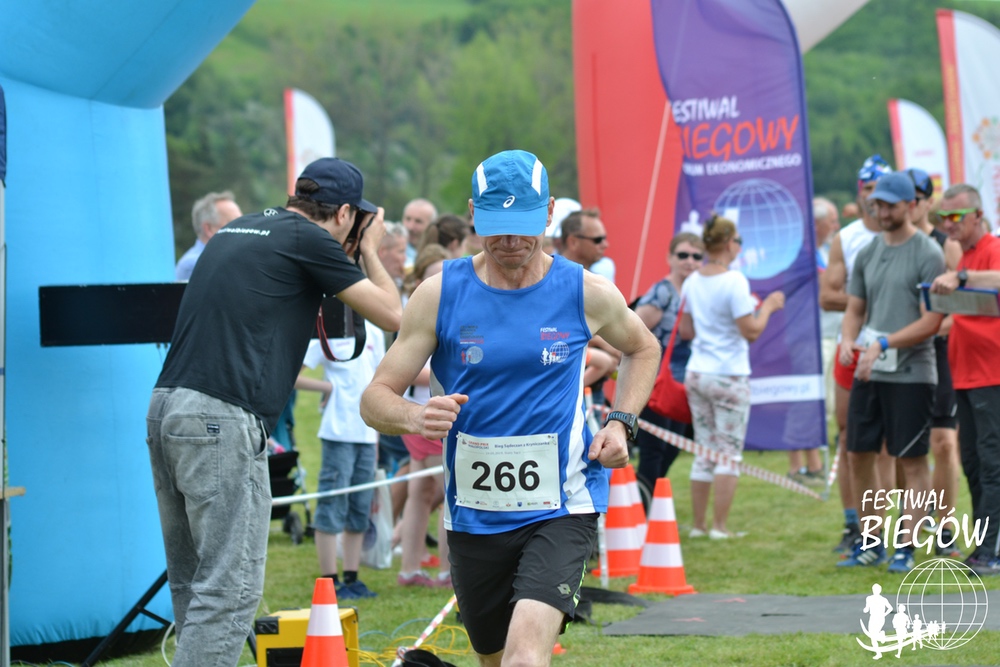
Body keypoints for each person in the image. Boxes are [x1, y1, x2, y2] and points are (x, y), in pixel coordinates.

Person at [360, 149, 660, 666]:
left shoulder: (584, 291)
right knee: (495, 658)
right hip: (473, 514)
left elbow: (643, 348)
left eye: (523, 226)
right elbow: (374, 398)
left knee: (524, 657)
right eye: (496, 228)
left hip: (562, 505)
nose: (511, 241)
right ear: (473, 214)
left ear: (549, 215)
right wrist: (415, 416)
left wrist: (620, 423)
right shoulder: (439, 294)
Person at [146, 157, 402, 667]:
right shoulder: (311, 239)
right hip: (220, 417)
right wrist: (371, 250)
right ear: (344, 213)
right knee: (230, 590)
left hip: (166, 407)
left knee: (193, 582)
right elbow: (393, 314)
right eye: (357, 221)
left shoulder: (236, 229)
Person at [837, 172, 945, 573]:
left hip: (912, 373)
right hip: (870, 369)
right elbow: (855, 308)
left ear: (910, 206)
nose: (881, 212)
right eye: (876, 205)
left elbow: (932, 321)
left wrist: (884, 343)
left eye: (889, 206)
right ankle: (870, 541)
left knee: (912, 460)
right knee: (858, 454)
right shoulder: (868, 252)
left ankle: (907, 546)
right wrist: (848, 339)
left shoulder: (928, 253)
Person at [679, 214, 785, 539]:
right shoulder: (735, 281)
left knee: (705, 449)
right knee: (728, 453)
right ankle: (720, 527)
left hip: (698, 372)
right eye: (738, 241)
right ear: (728, 243)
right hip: (728, 374)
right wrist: (769, 307)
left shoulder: (692, 281)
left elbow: (686, 331)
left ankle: (699, 526)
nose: (739, 246)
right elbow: (750, 331)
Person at [820, 155, 892, 554]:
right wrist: (867, 299)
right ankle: (855, 524)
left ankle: (892, 527)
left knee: (890, 446)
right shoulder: (846, 238)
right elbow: (827, 296)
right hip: (853, 345)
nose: (873, 198)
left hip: (894, 347)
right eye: (868, 189)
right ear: (860, 192)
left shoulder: (906, 237)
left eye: (881, 190)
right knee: (850, 438)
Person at [930, 183, 1000, 575]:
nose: (949, 224)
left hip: (992, 373)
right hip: (966, 374)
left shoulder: (991, 249)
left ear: (977, 215)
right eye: (944, 217)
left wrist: (962, 276)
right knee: (973, 462)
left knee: (991, 463)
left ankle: (991, 549)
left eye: (956, 216)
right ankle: (984, 546)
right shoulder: (968, 256)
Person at [296, 319, 386, 600]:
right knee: (332, 503)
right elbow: (293, 374)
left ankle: (352, 577)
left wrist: (377, 437)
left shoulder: (374, 331)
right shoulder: (328, 329)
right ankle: (329, 580)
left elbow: (380, 381)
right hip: (338, 432)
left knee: (360, 507)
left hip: (367, 433)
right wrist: (327, 388)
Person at [906, 169, 962, 557]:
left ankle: (945, 528)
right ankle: (908, 527)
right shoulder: (890, 244)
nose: (909, 206)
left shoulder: (946, 245)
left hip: (939, 351)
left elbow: (960, 309)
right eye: (903, 199)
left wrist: (926, 330)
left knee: (943, 444)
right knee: (906, 447)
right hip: (903, 353)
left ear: (928, 202)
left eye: (916, 199)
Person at [396, 243, 453, 588]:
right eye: (434, 278)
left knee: (425, 492)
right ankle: (440, 571)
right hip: (425, 415)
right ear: (419, 282)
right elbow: (405, 370)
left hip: (435, 413)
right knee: (443, 491)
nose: (441, 285)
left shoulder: (455, 310)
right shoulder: (416, 314)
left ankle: (415, 570)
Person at [633, 232, 704, 496]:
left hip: (681, 383)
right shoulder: (662, 292)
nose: (690, 261)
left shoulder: (697, 292)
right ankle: (641, 505)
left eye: (696, 256)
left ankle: (647, 501)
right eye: (683, 255)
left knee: (674, 446)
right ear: (670, 258)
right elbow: (632, 330)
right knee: (654, 448)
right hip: (655, 381)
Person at [788, 197, 839, 484]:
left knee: (824, 402)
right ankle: (800, 466)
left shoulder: (826, 250)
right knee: (805, 398)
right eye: (832, 221)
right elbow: (822, 289)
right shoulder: (802, 254)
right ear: (817, 224)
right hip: (807, 336)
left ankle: (813, 462)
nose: (836, 226)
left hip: (829, 333)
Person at [175, 191, 242, 280]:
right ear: (209, 229)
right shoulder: (194, 264)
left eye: (242, 222)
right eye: (234, 224)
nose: (242, 229)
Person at [402, 197, 438, 269]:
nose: (410, 227)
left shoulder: (437, 258)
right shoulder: (389, 251)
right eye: (408, 219)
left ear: (432, 226)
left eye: (418, 221)